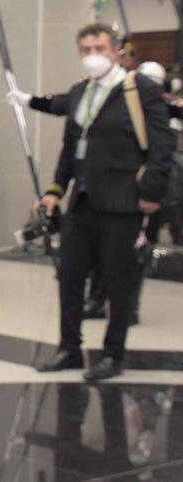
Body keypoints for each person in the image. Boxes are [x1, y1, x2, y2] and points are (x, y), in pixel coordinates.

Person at [35, 23, 173, 382]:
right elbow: (71, 147)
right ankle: (69, 348)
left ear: (114, 50)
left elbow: (163, 147)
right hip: (82, 202)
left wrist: (150, 196)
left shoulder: (139, 89)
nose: (92, 55)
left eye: (99, 47)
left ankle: (113, 353)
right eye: (85, 49)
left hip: (123, 202)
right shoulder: (81, 91)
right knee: (69, 276)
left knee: (117, 281)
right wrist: (55, 189)